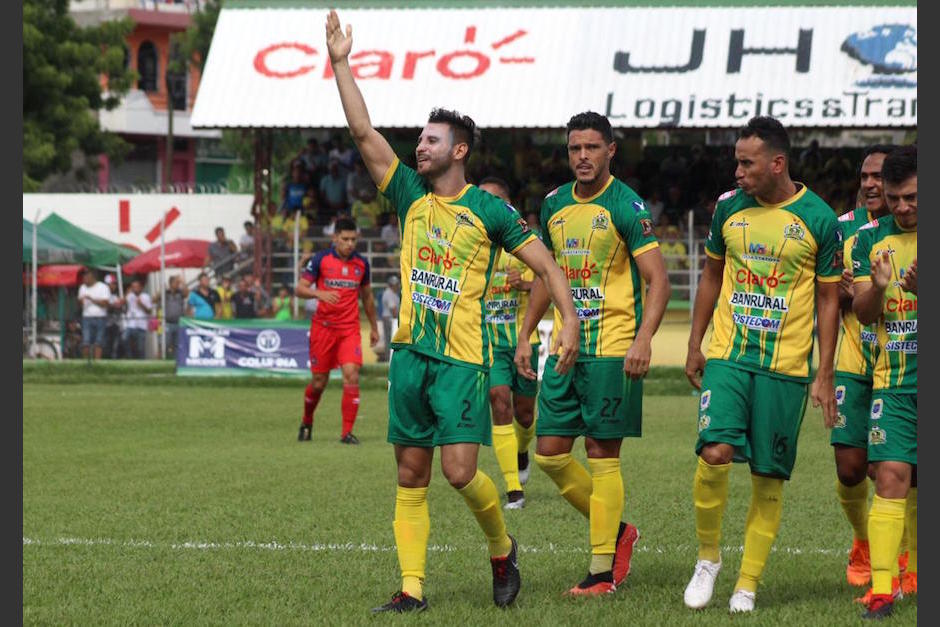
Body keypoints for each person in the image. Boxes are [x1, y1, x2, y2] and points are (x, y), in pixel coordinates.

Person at [325, 9, 579, 613]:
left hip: (462, 359)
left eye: (431, 139)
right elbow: (364, 135)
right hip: (411, 354)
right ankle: (411, 587)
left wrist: (567, 319)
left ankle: (501, 546)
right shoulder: (408, 192)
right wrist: (340, 64)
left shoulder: (489, 213)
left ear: (458, 150)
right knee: (410, 474)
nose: (420, 144)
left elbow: (548, 266)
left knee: (461, 473)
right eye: (419, 137)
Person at [682, 116, 840, 614]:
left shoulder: (819, 218)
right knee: (715, 453)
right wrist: (694, 341)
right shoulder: (728, 210)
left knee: (769, 476)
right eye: (736, 161)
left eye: (747, 163)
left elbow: (829, 301)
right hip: (729, 355)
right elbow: (711, 275)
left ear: (777, 163)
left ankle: (747, 582)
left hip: (785, 369)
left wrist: (825, 370)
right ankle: (708, 559)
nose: (738, 171)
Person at [514, 111, 670, 597]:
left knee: (602, 455)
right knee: (550, 455)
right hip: (565, 347)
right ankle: (620, 531)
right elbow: (548, 274)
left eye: (592, 148)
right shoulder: (555, 204)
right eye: (574, 149)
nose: (582, 157)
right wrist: (525, 333)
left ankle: (602, 571)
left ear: (610, 151)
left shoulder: (626, 206)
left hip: (612, 348)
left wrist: (644, 339)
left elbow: (658, 280)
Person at [826, 145, 904, 593]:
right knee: (850, 467)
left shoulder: (906, 227)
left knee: (889, 467)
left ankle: (902, 554)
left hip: (896, 361)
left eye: (879, 177)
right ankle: (862, 540)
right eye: (866, 176)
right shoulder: (842, 231)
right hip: (855, 362)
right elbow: (826, 295)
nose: (871, 184)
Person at [851, 145, 917, 620]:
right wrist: (876, 286)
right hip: (892, 384)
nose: (902, 207)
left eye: (912, 197)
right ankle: (881, 589)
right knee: (890, 477)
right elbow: (862, 312)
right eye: (895, 198)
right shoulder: (869, 239)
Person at [477, 176, 540, 510]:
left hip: (524, 343)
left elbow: (552, 281)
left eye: (493, 199)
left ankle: (521, 450)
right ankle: (514, 489)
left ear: (507, 205)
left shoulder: (524, 243)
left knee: (525, 414)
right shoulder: (471, 244)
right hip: (488, 345)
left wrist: (527, 284)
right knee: (499, 401)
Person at [295, 216, 378, 445]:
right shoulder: (321, 260)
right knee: (319, 382)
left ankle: (346, 433)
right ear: (335, 238)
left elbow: (368, 297)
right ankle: (307, 420)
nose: (350, 244)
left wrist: (373, 326)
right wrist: (318, 293)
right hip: (323, 329)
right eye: (345, 239)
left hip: (349, 330)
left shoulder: (362, 264)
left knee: (351, 375)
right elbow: (299, 289)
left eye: (353, 239)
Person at [77, 268, 111, 360]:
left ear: (92, 277)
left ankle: (97, 363)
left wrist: (91, 299)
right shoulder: (82, 288)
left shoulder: (103, 287)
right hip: (86, 317)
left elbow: (105, 303)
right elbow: (79, 304)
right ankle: (86, 363)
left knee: (98, 342)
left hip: (100, 317)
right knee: (86, 341)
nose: (84, 279)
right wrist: (81, 301)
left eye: (86, 276)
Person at [123, 279, 153, 359]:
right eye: (133, 287)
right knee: (124, 338)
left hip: (141, 325)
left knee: (140, 347)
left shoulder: (146, 297)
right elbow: (122, 302)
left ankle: (141, 362)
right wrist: (126, 293)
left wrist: (141, 304)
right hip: (131, 324)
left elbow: (149, 311)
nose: (134, 289)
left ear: (140, 288)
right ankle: (129, 358)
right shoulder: (130, 296)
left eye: (136, 287)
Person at [164, 275, 187, 357]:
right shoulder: (165, 293)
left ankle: (176, 361)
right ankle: (167, 359)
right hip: (168, 323)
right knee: (167, 343)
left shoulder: (180, 292)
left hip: (179, 323)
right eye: (176, 283)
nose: (178, 284)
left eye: (178, 283)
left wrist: (183, 283)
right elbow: (154, 299)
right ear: (171, 283)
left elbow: (186, 294)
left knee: (177, 344)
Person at [380, 274, 401, 361]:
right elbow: (393, 309)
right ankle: (388, 358)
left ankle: (389, 357)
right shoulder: (389, 293)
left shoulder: (392, 293)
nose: (397, 286)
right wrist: (398, 319)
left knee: (390, 338)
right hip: (390, 318)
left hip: (390, 318)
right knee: (389, 338)